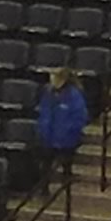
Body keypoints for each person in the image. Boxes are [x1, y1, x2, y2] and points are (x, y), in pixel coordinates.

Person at [38, 66, 89, 196]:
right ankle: (44, 191)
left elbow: (80, 116)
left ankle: (67, 194)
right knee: (46, 166)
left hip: (67, 139)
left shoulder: (74, 95)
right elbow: (44, 112)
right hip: (49, 137)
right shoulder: (48, 93)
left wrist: (69, 132)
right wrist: (43, 129)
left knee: (66, 166)